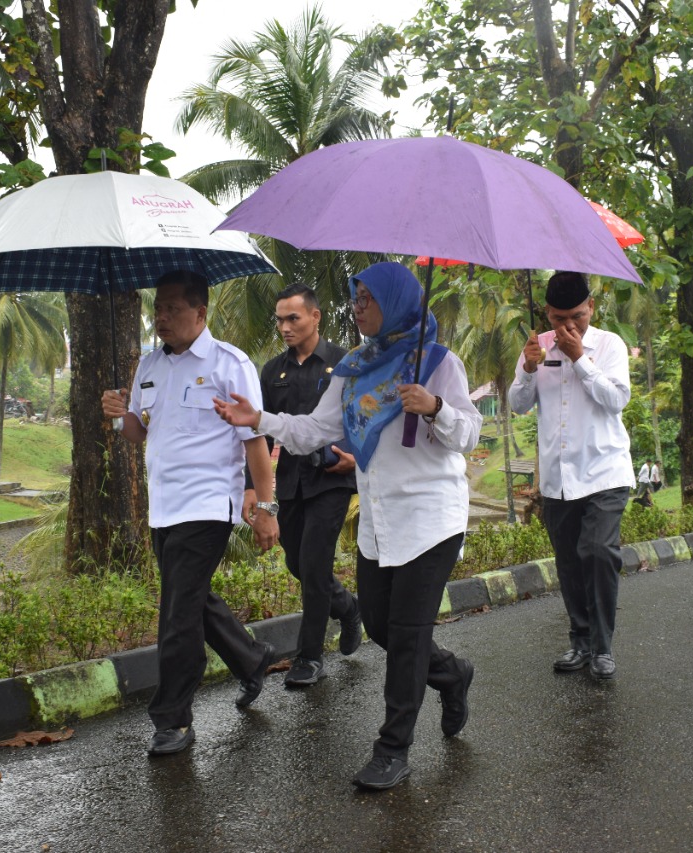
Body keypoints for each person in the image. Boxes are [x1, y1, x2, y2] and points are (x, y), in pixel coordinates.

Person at [214, 261, 481, 791]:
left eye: (366, 299)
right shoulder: (355, 367)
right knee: (381, 626)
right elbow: (317, 429)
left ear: (395, 300)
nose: (356, 308)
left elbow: (469, 434)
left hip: (430, 518)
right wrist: (259, 421)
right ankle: (451, 674)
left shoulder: (437, 362)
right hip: (379, 521)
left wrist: (434, 407)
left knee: (406, 635)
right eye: (355, 299)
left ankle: (392, 749)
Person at [101, 270, 280, 757]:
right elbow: (139, 431)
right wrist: (118, 412)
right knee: (191, 599)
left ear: (200, 313)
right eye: (157, 307)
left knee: (177, 614)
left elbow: (255, 440)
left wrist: (265, 506)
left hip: (207, 505)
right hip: (164, 508)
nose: (161, 317)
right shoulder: (149, 365)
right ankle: (251, 658)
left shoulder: (229, 364)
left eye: (173, 308)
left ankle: (173, 719)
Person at [509, 271, 634, 681]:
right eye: (559, 317)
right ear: (546, 312)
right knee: (568, 562)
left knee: (598, 552)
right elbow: (518, 405)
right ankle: (580, 641)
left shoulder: (608, 345)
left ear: (591, 308)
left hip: (605, 471)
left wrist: (580, 357)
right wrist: (528, 368)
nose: (567, 326)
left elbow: (616, 400)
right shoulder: (537, 347)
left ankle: (603, 646)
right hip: (559, 477)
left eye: (577, 316)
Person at [245, 283, 362, 687]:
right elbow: (257, 433)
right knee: (298, 563)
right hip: (291, 480)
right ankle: (347, 608)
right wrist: (252, 489)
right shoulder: (273, 371)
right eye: (279, 319)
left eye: (292, 318)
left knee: (314, 566)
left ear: (315, 316)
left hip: (332, 477)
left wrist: (353, 455)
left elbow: (361, 417)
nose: (284, 327)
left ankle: (309, 656)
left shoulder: (344, 363)